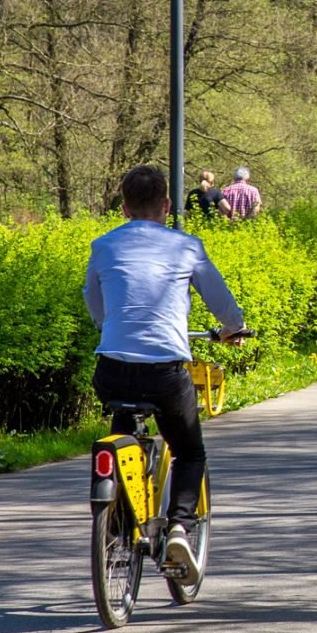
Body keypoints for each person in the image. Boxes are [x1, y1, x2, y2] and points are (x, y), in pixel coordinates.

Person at [83, 165, 249, 581]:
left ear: (124, 208)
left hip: (112, 368)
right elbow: (220, 299)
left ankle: (118, 521)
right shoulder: (186, 246)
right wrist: (233, 328)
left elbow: (94, 302)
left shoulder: (103, 246)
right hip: (164, 372)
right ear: (167, 205)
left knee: (122, 430)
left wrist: (110, 327)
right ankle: (179, 529)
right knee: (189, 451)